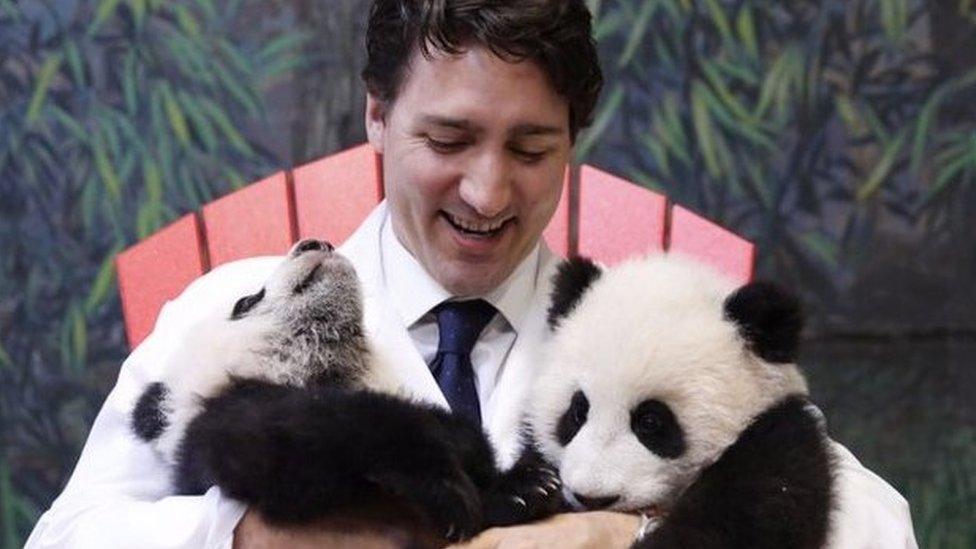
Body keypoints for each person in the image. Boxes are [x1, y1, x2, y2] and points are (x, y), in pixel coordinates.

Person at [27, 1, 917, 547]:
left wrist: (634, 532)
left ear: (573, 140)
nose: (488, 190)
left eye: (533, 147)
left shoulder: (636, 326)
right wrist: (246, 533)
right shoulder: (239, 309)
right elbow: (68, 537)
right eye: (447, 140)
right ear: (376, 116)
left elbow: (879, 527)